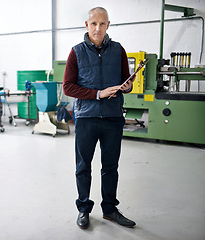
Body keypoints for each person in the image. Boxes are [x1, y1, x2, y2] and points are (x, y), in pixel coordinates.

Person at [63, 7, 136, 229]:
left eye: (102, 24)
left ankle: (110, 209)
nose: (98, 28)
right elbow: (68, 87)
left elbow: (127, 83)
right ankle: (84, 209)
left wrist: (128, 86)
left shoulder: (118, 50)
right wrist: (97, 94)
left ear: (108, 25)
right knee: (83, 166)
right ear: (87, 25)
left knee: (110, 166)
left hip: (113, 117)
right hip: (86, 118)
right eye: (94, 23)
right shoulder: (76, 52)